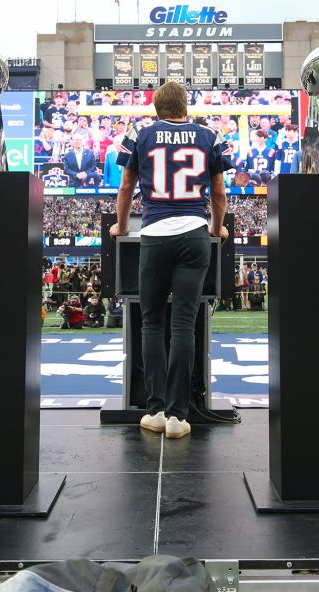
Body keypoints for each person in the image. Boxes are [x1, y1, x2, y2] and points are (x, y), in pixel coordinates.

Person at [110, 81, 230, 440]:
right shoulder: (208, 135)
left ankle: (157, 409)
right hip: (195, 233)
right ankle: (179, 416)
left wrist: (119, 224)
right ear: (185, 106)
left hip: (155, 233)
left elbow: (127, 186)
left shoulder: (140, 133)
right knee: (183, 325)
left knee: (151, 323)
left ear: (156, 107)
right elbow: (220, 192)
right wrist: (217, 228)